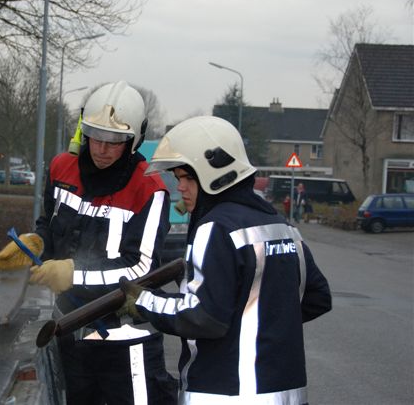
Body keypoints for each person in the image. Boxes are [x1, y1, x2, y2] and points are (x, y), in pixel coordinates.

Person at [119, 116, 332, 404]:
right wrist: (260, 323)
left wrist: (145, 301)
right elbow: (317, 298)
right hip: (288, 394)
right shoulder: (282, 226)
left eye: (187, 177)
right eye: (179, 178)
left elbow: (202, 317)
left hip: (226, 392)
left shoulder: (215, 228)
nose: (180, 187)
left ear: (215, 175)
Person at [29, 81, 178, 404]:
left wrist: (73, 274)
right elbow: (49, 224)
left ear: (133, 139)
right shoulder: (61, 168)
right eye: (95, 136)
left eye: (114, 141)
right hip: (69, 332)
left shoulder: (149, 189)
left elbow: (143, 269)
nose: (101, 148)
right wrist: (36, 243)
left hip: (126, 342)